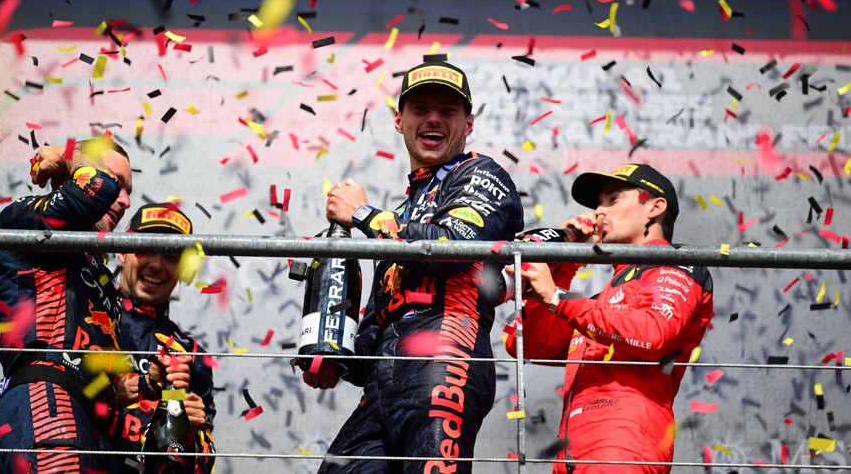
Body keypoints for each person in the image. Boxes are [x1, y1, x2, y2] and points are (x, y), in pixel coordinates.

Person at [306, 61, 524, 473]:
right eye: (421, 108)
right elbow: (377, 323)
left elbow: (451, 247)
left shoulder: (482, 174)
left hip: (443, 363)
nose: (434, 119)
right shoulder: (404, 214)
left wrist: (365, 215)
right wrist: (334, 358)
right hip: (383, 386)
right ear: (399, 120)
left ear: (469, 123)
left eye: (449, 110)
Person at [0, 138, 188, 473]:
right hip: (47, 404)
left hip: (76, 418)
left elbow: (88, 371)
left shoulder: (93, 267)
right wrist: (66, 159)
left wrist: (146, 385)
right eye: (118, 183)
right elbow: (98, 188)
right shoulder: (27, 219)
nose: (123, 200)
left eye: (128, 191)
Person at [505, 164, 714, 474]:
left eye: (613, 199)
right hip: (572, 456)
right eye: (597, 204)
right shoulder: (597, 305)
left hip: (624, 448)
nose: (599, 212)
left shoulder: (677, 265)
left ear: (654, 207)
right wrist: (566, 260)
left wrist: (556, 298)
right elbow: (528, 343)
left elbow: (653, 333)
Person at [110, 203, 216, 473]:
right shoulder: (87, 318)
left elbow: (204, 462)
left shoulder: (193, 355)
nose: (156, 265)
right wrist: (145, 388)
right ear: (122, 252)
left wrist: (192, 434)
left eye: (171, 255)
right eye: (146, 247)